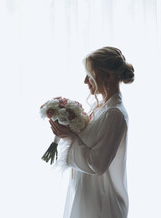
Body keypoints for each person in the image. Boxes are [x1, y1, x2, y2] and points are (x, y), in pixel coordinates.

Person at [49, 46, 135, 218]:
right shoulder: (99, 107)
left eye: (90, 74)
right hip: (87, 196)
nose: (85, 81)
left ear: (108, 76)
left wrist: (70, 137)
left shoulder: (115, 114)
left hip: (102, 202)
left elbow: (98, 164)